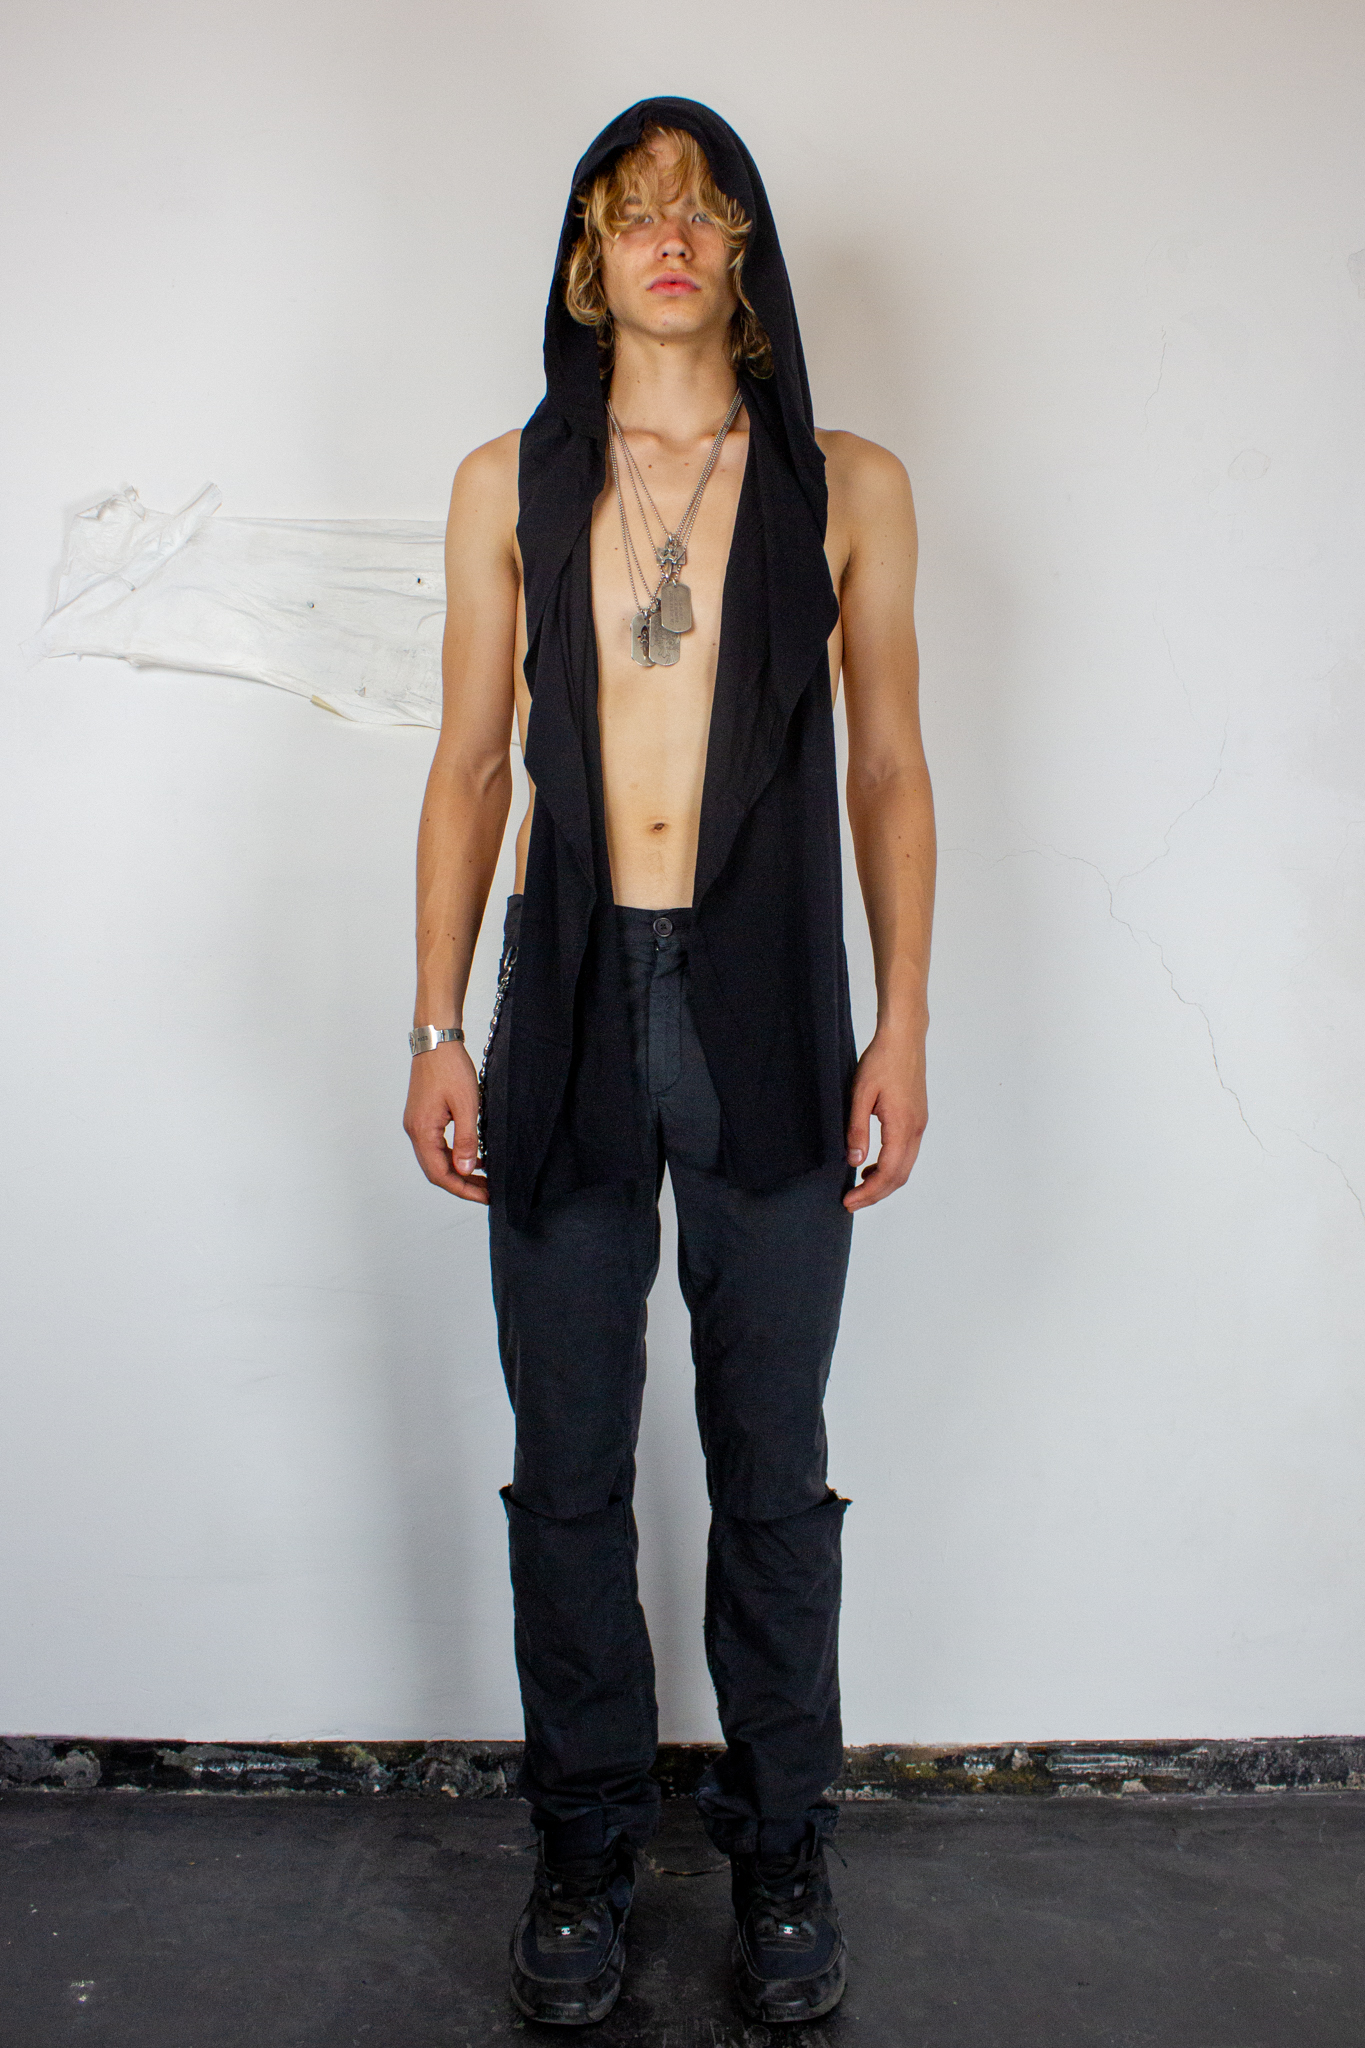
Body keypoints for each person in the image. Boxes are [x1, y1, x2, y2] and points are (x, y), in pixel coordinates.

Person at [403, 97, 934, 2029]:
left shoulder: (846, 485)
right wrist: (436, 1021)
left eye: (703, 208)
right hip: (562, 1002)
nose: (671, 234)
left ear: (745, 251)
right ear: (588, 260)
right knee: (565, 1468)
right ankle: (585, 1846)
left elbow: (886, 766)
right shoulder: (507, 481)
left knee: (770, 1465)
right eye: (634, 211)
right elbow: (471, 763)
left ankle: (782, 1846)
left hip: (770, 1000)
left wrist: (904, 1019)